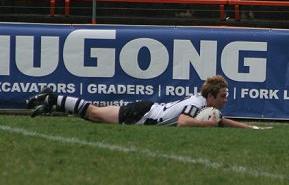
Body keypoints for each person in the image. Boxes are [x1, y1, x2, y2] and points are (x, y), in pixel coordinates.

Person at [26, 75, 272, 130]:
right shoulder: (197, 103)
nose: (226, 99)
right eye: (223, 96)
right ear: (211, 96)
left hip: (145, 111)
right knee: (94, 112)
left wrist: (253, 129)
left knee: (94, 114)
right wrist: (207, 124)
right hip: (142, 114)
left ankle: (54, 103)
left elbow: (221, 121)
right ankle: (51, 96)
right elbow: (184, 122)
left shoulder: (203, 105)